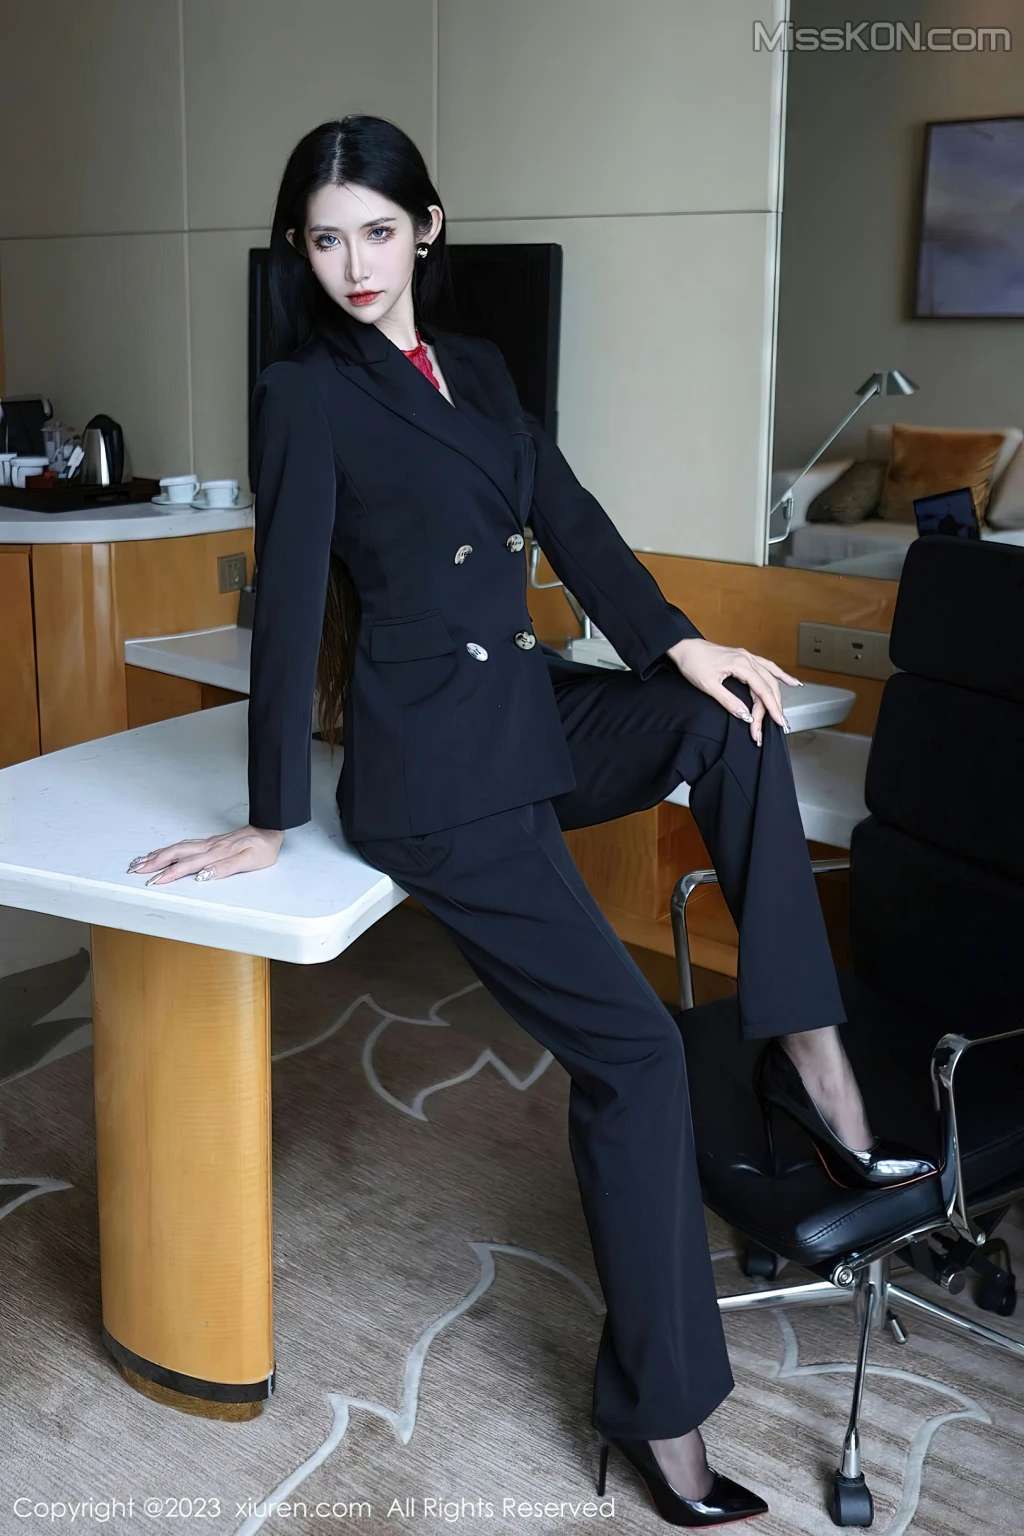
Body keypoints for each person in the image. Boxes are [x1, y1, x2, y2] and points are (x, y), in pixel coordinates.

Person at [127, 115, 936, 1526]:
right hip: (437, 776)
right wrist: (269, 815)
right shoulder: (305, 391)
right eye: (325, 239)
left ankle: (811, 1055)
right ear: (300, 252)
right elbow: (291, 603)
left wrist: (683, 644)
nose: (354, 263)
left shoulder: (482, 367)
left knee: (731, 720)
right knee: (636, 1056)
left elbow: (573, 518)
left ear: (428, 228)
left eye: (379, 232)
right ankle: (662, 1417)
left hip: (528, 708)